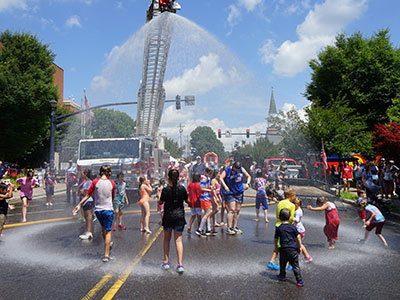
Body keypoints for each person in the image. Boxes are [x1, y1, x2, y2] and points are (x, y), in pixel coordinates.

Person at [73, 165, 115, 262]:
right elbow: (112, 197)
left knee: (103, 230)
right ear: (109, 173)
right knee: (108, 232)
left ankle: (108, 244)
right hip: (108, 209)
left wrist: (79, 205)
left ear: (100, 173)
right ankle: (106, 255)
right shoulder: (112, 183)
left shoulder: (95, 182)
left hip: (98, 210)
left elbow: (88, 195)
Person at [159, 169, 189, 273]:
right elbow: (187, 201)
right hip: (179, 217)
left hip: (168, 217)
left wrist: (159, 195)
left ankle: (166, 262)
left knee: (166, 239)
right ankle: (180, 264)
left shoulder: (166, 190)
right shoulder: (182, 189)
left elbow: (160, 202)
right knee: (178, 240)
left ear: (168, 178)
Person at [267, 188, 297, 270]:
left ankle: (272, 261)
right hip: (288, 228)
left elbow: (277, 215)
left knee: (278, 245)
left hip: (278, 225)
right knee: (290, 246)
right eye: (294, 196)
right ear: (291, 196)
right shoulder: (292, 205)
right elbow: (291, 219)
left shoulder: (280, 203)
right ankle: (290, 265)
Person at [274, 208, 304, 287]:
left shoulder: (279, 228)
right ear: (290, 217)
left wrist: (276, 247)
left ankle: (282, 276)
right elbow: (297, 237)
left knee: (282, 263)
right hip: (293, 249)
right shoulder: (293, 227)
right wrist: (299, 247)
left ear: (279, 218)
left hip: (283, 249)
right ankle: (299, 281)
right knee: (295, 265)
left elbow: (275, 239)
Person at [220, 161, 251, 235]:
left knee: (237, 210)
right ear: (233, 166)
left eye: (238, 170)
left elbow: (248, 176)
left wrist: (247, 184)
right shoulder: (227, 170)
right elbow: (221, 178)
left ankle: (235, 227)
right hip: (230, 192)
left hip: (239, 192)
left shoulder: (241, 169)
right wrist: (225, 186)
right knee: (232, 209)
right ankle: (229, 228)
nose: (236, 171)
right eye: (235, 169)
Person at [195, 167, 214, 237]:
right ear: (205, 172)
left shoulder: (208, 179)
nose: (211, 175)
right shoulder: (203, 178)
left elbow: (207, 187)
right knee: (208, 213)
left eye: (211, 174)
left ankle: (208, 228)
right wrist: (209, 190)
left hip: (207, 197)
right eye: (210, 173)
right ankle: (199, 229)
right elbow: (201, 188)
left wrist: (210, 188)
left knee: (207, 213)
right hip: (204, 198)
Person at [77, 168, 94, 240]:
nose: (81, 174)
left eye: (82, 173)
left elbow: (88, 193)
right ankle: (87, 231)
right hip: (84, 201)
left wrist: (82, 192)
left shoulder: (89, 182)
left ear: (85, 174)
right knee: (86, 217)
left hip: (88, 201)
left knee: (89, 217)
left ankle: (89, 232)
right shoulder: (84, 182)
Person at [293, 198, 312, 262]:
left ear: (296, 204)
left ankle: (307, 257)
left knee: (299, 244)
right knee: (297, 244)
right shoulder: (298, 209)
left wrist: (290, 217)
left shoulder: (298, 211)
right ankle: (306, 257)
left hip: (299, 230)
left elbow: (297, 220)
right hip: (299, 229)